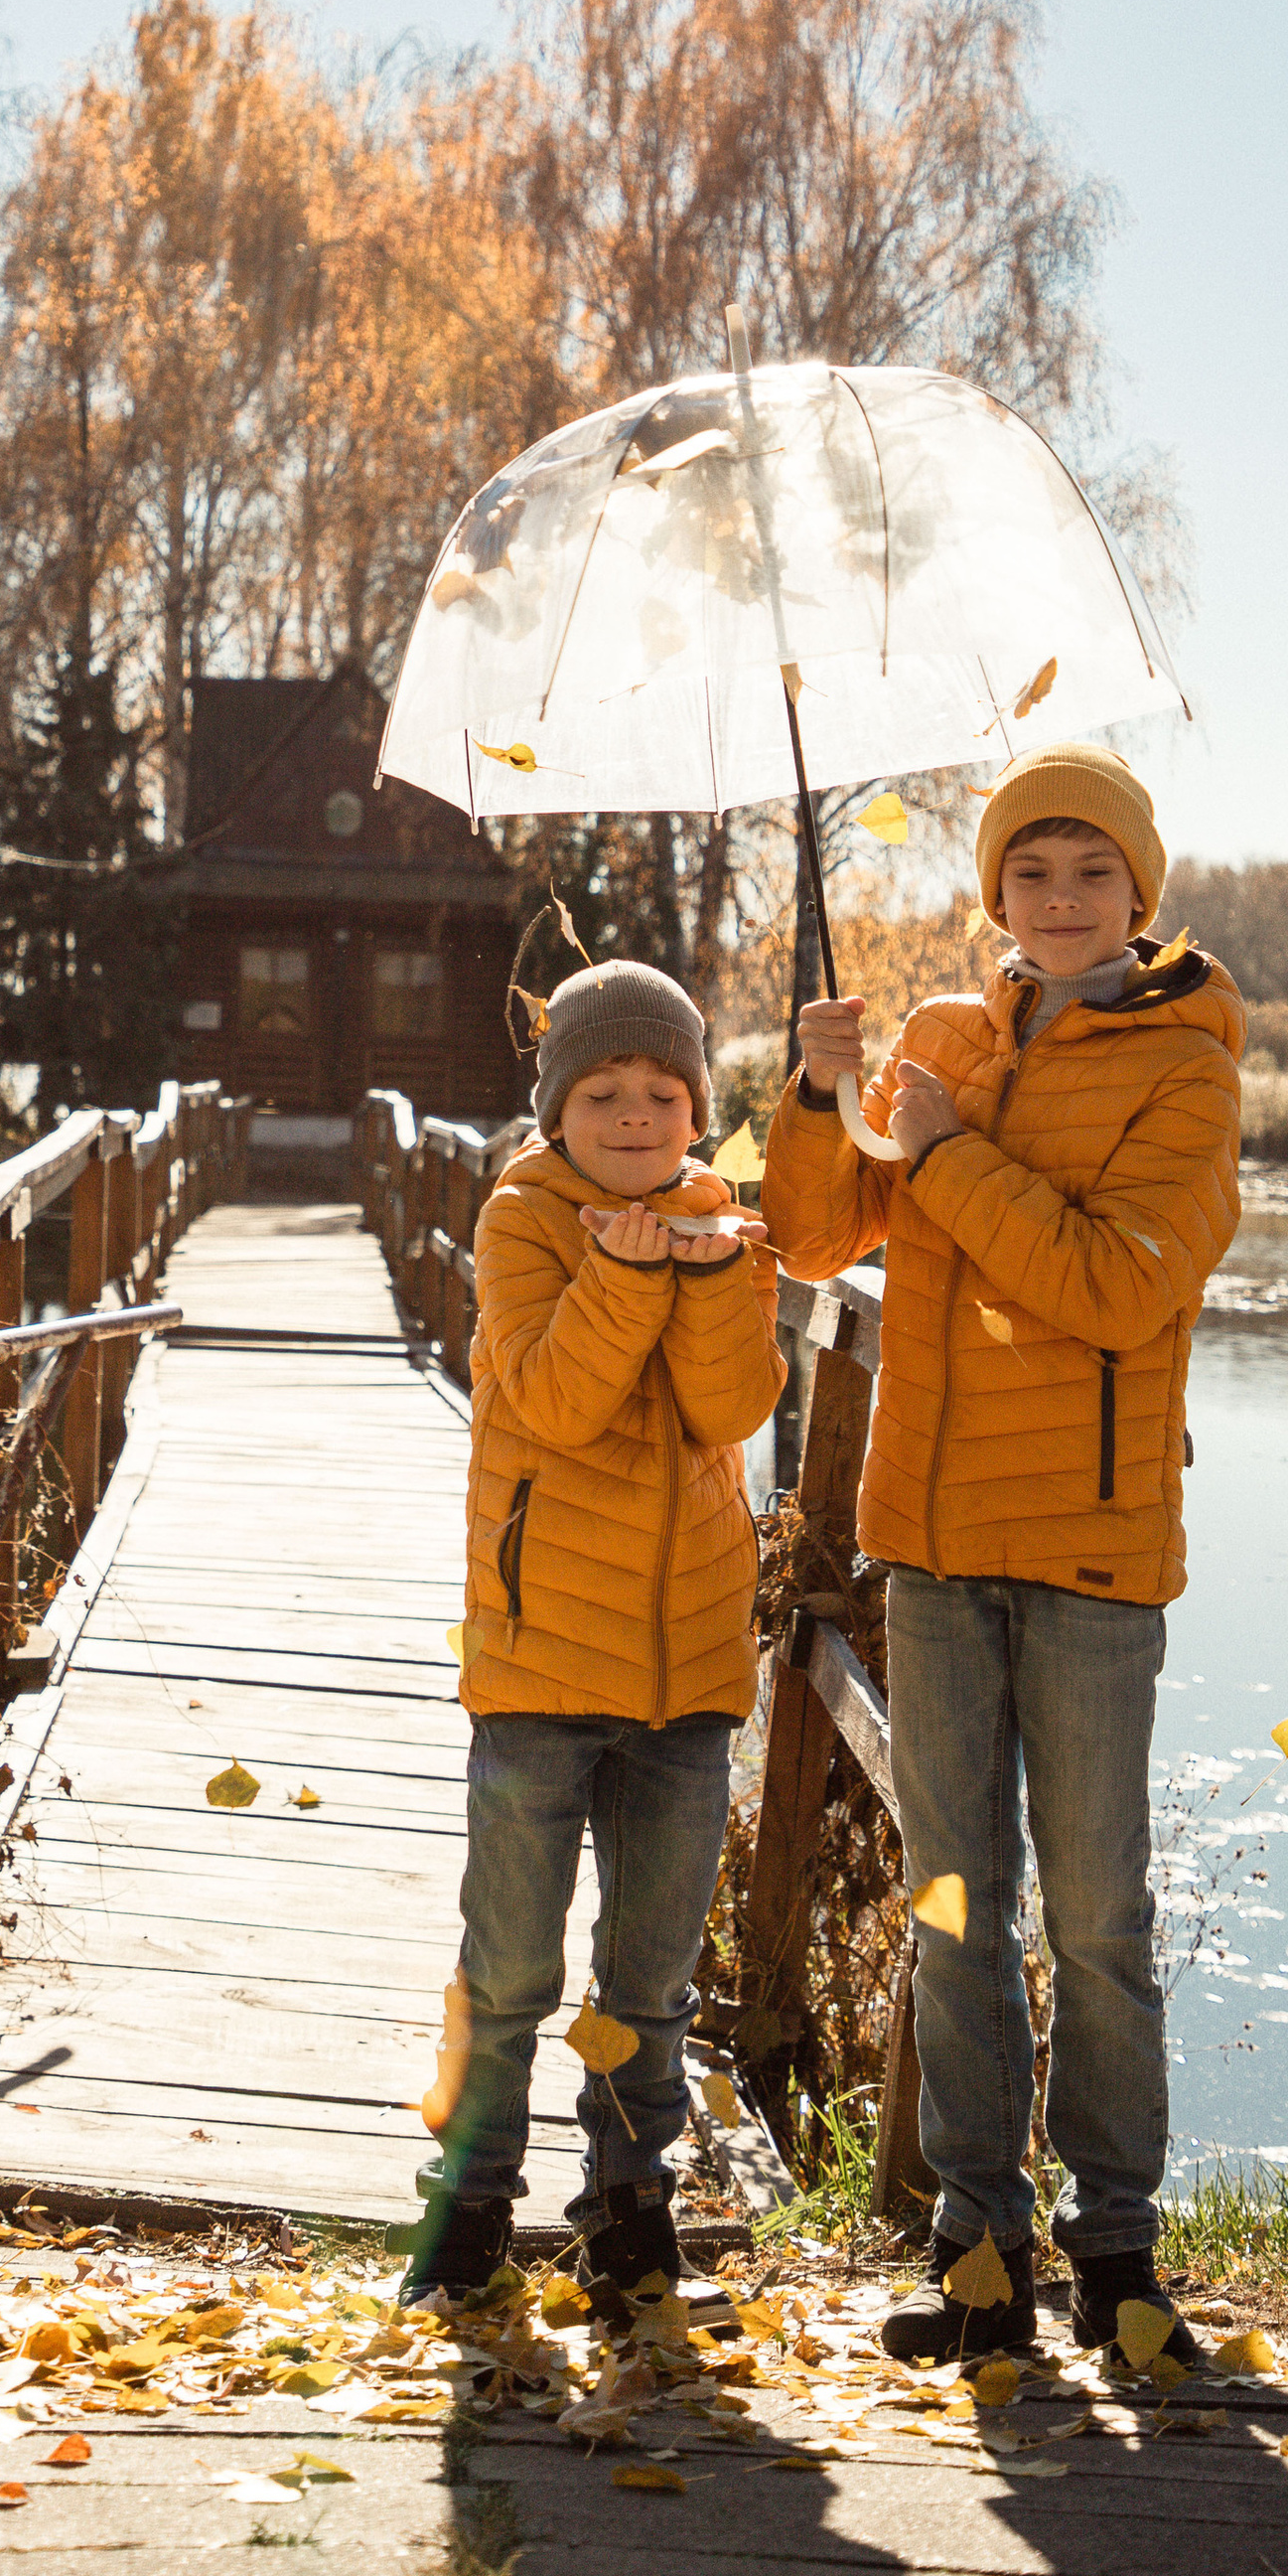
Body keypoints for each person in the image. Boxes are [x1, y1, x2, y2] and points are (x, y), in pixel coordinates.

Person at [760, 744, 1242, 2369]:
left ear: (1139, 893)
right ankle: (978, 2245)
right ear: (995, 894)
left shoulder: (1191, 1062)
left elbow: (1118, 1289)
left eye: (1089, 873)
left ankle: (1117, 2247)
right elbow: (823, 1241)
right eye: (1028, 874)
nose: (1057, 899)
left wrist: (950, 1148)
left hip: (1095, 1555)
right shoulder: (936, 1041)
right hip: (934, 1545)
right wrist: (822, 1093)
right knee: (955, 1904)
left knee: (1098, 1912)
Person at [401, 958, 786, 2307]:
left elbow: (733, 1407)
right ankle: (468, 2204)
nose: (636, 1115)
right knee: (509, 1960)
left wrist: (707, 1274)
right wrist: (626, 1278)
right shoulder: (522, 1222)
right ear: (559, 1110)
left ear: (696, 1107)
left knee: (650, 1970)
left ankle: (629, 2200)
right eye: (606, 1092)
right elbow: (554, 1403)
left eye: (664, 1092)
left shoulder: (727, 1224)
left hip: (688, 1672)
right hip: (541, 1656)